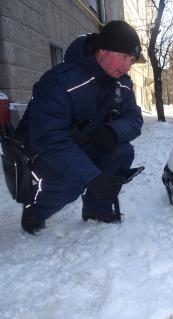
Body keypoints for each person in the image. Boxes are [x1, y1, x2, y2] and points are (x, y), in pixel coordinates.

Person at [14, 20, 144, 234]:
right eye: (123, 56)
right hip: (44, 153)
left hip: (85, 144)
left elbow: (134, 118)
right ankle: (35, 211)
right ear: (102, 51)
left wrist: (112, 132)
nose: (127, 65)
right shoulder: (59, 81)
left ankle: (96, 210)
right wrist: (92, 176)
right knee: (71, 181)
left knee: (122, 151)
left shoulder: (122, 83)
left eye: (131, 59)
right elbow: (48, 137)